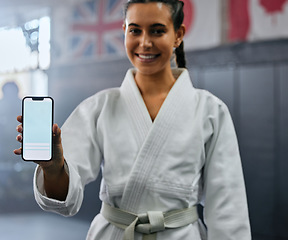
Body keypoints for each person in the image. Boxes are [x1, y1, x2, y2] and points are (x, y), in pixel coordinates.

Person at [14, 0, 251, 239]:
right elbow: (64, 198)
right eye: (135, 30)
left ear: (178, 35)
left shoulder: (210, 110)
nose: (145, 42)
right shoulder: (100, 107)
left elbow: (228, 209)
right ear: (124, 31)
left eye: (157, 31)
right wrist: (54, 168)